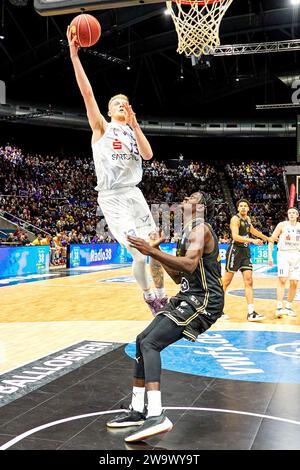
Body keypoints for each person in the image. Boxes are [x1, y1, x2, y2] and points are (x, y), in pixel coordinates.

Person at [106, 191, 224, 443]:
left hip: (204, 300)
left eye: (192, 197)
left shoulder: (202, 229)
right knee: (141, 339)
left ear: (201, 207)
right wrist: (155, 251)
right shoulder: (187, 232)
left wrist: (151, 250)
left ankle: (156, 414)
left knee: (151, 343)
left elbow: (191, 265)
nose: (185, 198)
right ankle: (138, 410)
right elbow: (178, 275)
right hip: (188, 295)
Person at [67, 27, 166, 314]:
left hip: (134, 194)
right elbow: (87, 93)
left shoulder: (133, 133)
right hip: (113, 197)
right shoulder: (102, 127)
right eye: (116, 104)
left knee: (156, 247)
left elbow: (149, 155)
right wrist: (74, 56)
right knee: (137, 253)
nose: (121, 105)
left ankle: (162, 295)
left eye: (125, 103)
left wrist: (135, 124)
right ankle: (149, 297)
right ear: (109, 111)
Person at [222, 199, 270, 322]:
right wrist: (253, 241)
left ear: (248, 208)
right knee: (225, 282)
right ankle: (216, 309)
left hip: (245, 252)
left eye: (245, 206)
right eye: (241, 206)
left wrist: (268, 238)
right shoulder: (235, 219)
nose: (243, 208)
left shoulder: (248, 219)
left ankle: (251, 312)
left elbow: (253, 231)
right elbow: (235, 237)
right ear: (238, 208)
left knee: (249, 281)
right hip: (235, 251)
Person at [268, 207, 300, 318]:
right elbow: (272, 240)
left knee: (295, 282)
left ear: (297, 215)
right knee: (282, 279)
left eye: (294, 213)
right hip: (283, 254)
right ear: (287, 215)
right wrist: (270, 256)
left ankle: (288, 307)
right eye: (290, 212)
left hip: (297, 255)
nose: (291, 214)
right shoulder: (282, 225)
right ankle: (279, 307)